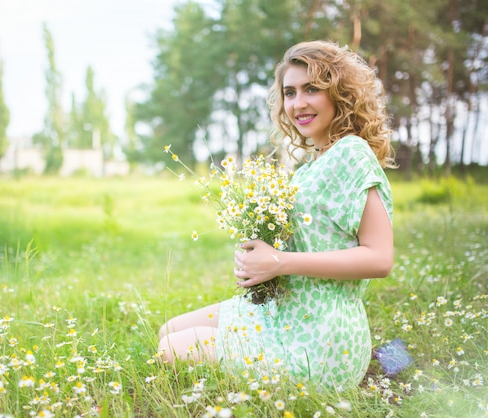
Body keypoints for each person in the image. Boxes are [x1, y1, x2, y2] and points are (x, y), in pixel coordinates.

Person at [158, 40, 395, 389]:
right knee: (169, 330)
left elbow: (380, 258)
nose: (298, 103)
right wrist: (257, 259)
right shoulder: (307, 168)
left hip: (321, 339)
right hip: (284, 313)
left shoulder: (352, 154)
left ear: (339, 94)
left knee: (169, 349)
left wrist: (281, 262)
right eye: (290, 92)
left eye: (311, 89)